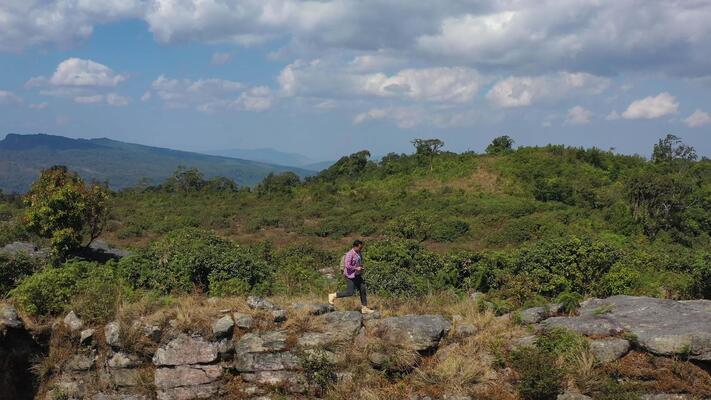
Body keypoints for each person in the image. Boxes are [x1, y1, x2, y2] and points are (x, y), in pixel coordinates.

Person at [328, 240, 375, 314]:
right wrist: (356, 268)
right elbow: (347, 265)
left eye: (361, 247)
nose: (361, 249)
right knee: (350, 292)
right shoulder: (350, 254)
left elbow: (358, 262)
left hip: (357, 275)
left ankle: (364, 308)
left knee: (363, 289)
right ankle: (333, 295)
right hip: (350, 276)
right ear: (355, 246)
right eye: (360, 247)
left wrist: (360, 267)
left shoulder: (358, 253)